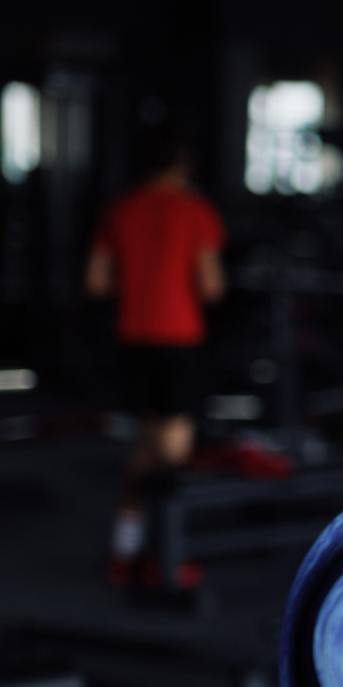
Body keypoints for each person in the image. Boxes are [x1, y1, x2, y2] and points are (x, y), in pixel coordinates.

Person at [84, 121, 225, 586]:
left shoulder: (120, 211)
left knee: (145, 449)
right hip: (178, 338)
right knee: (171, 455)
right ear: (182, 163)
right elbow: (210, 287)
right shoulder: (194, 211)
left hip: (134, 339)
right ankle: (163, 557)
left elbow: (96, 283)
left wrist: (141, 282)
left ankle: (124, 550)